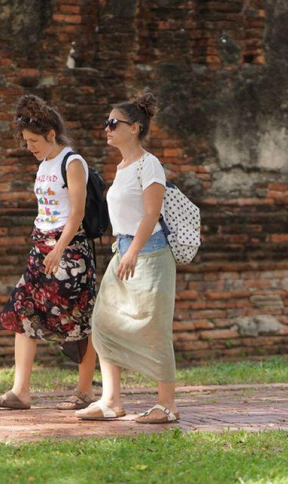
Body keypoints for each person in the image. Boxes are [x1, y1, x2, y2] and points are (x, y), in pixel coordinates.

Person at [0, 95, 97, 411]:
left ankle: (85, 391)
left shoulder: (71, 162)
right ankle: (20, 392)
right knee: (22, 311)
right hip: (41, 248)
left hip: (69, 252)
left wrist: (59, 249)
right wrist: (42, 247)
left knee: (76, 319)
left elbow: (77, 213)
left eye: (34, 140)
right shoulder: (44, 164)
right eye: (26, 142)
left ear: (51, 135)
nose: (29, 147)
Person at [75, 89, 180, 424]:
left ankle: (167, 405)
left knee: (153, 327)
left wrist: (133, 251)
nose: (107, 128)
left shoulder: (150, 166)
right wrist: (125, 251)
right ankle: (111, 400)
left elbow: (151, 214)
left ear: (134, 128)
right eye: (107, 123)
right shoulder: (123, 167)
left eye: (113, 123)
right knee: (103, 322)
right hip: (123, 252)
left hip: (148, 254)